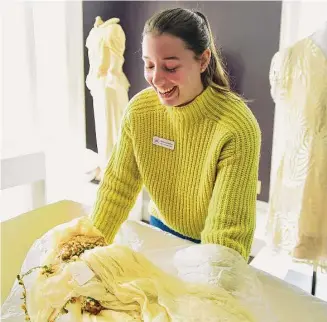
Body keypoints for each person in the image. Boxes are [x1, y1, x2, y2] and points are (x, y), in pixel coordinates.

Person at [90, 8, 261, 261]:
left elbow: (226, 233)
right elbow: (117, 188)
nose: (156, 79)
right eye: (149, 65)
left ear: (203, 60)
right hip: (160, 232)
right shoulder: (140, 111)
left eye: (170, 67)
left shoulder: (236, 127)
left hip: (211, 248)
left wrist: (211, 286)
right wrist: (87, 248)